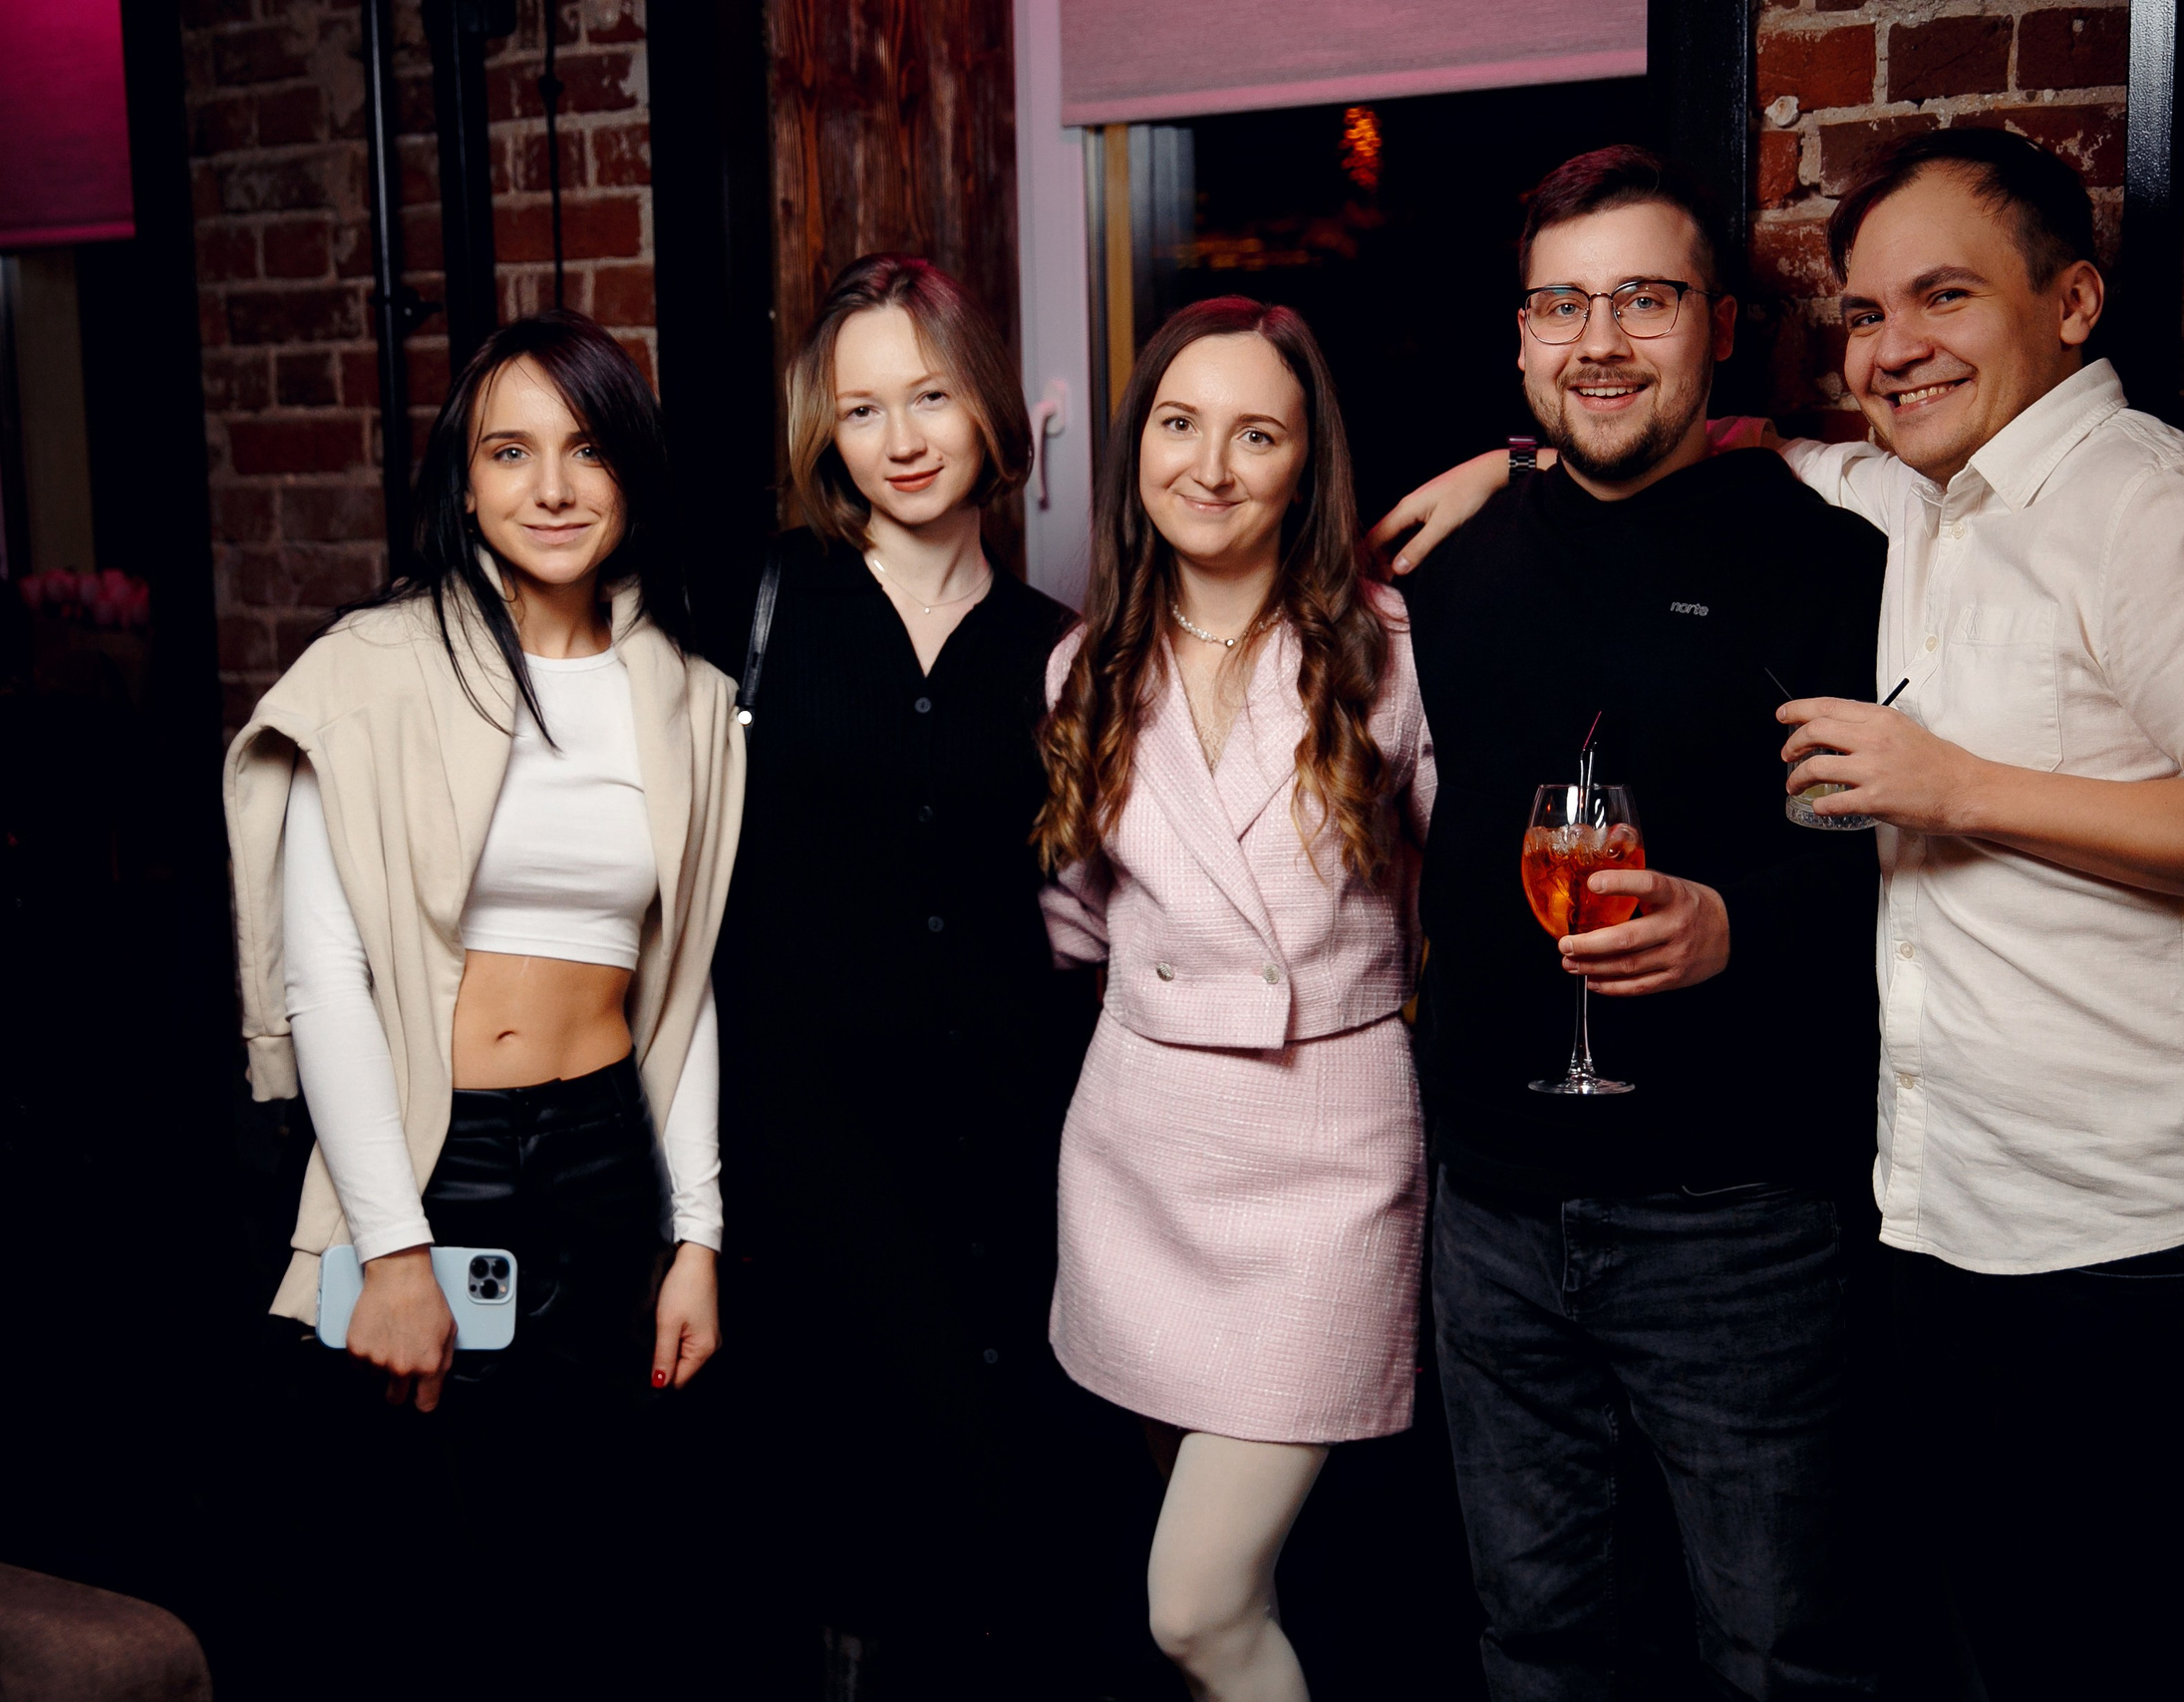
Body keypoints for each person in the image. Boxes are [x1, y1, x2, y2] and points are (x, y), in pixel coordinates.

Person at [1764, 129, 2184, 1698]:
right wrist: (1504, 470)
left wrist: (1956, 786)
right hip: (1943, 1220)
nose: (1894, 346)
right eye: (1862, 315)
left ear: (2074, 301)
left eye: (1943, 298)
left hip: (2135, 1249)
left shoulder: (2155, 513)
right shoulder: (1909, 492)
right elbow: (1727, 457)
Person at [1377, 147, 1886, 1699]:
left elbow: (1920, 860)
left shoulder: (1833, 559)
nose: (1598, 341)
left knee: (1781, 1650)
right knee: (1538, 1640)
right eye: (1561, 306)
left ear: (1718, 324)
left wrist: (1742, 923)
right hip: (1493, 1216)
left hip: (1736, 1219)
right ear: (1521, 337)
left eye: (1642, 300)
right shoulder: (1446, 560)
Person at [222, 309, 744, 1700]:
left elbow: (683, 991)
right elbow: (324, 977)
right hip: (431, 1161)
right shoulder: (374, 673)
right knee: (424, 1572)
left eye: (585, 450)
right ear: (466, 483)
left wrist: (696, 1233)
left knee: (593, 1567)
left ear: (631, 472)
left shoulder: (687, 703)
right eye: (511, 454)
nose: (552, 488)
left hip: (601, 1162)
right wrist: (392, 1248)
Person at [700, 254, 1126, 1699]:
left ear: (988, 407)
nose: (902, 438)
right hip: (812, 1152)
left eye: (931, 393)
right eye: (864, 407)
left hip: (1006, 1150)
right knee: (840, 1526)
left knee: (1000, 1530)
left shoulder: (1060, 656)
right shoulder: (766, 605)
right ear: (828, 432)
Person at [1034, 296, 1434, 1702]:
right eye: (1179, 424)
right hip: (1143, 1149)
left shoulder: (1384, 644)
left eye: (1254, 432)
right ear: (1138, 445)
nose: (1209, 465)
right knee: (1228, 1596)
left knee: (1195, 1606)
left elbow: (1456, 902)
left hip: (1326, 1153)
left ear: (1303, 462)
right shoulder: (1084, 663)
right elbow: (1079, 918)